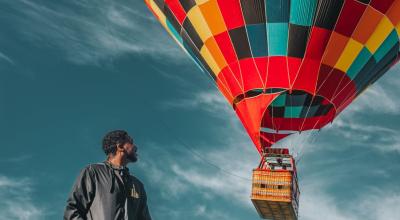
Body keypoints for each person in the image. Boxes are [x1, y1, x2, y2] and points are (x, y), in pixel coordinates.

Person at [64, 130, 152, 220]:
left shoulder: (138, 186)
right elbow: (72, 211)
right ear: (120, 146)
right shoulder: (93, 172)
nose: (135, 147)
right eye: (131, 142)